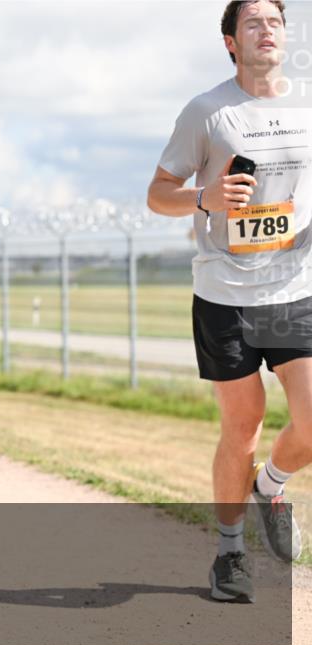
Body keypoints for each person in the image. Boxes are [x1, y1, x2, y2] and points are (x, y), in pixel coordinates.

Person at [147, 0, 310, 603]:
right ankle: (230, 553)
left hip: (295, 289)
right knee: (242, 427)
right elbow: (158, 194)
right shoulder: (207, 111)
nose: (267, 30)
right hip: (225, 294)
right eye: (253, 23)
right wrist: (206, 197)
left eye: (275, 21)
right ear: (231, 43)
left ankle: (270, 485)